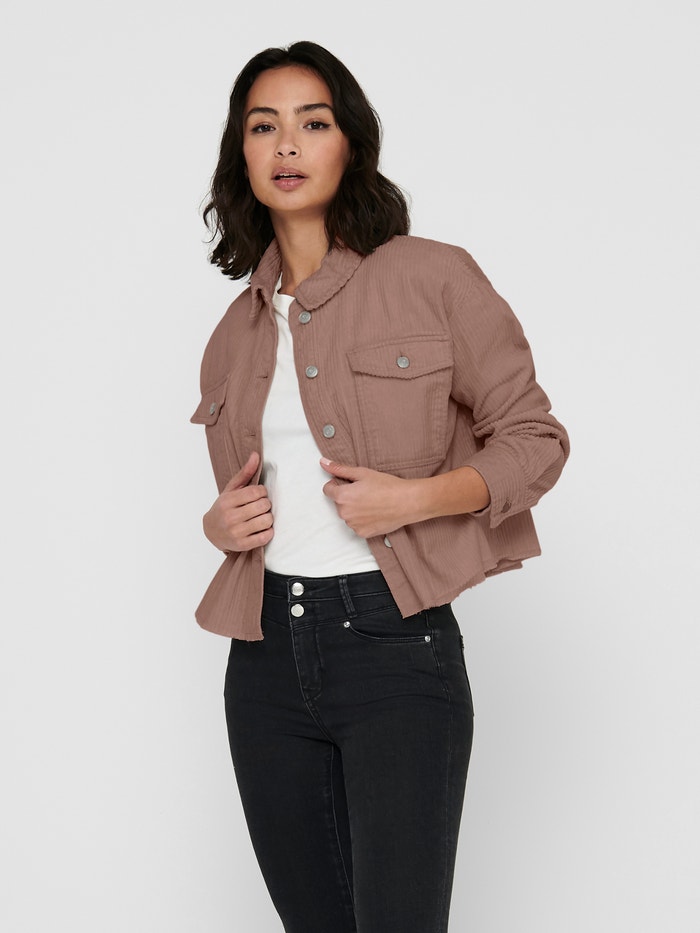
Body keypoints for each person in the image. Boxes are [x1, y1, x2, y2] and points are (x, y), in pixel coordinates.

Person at [191, 40, 569, 933]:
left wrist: (416, 498)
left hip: (394, 648)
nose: (288, 144)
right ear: (242, 154)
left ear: (350, 144)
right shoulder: (233, 333)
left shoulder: (432, 276)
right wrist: (218, 525)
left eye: (313, 122)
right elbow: (254, 498)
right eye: (264, 126)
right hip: (263, 663)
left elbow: (537, 439)